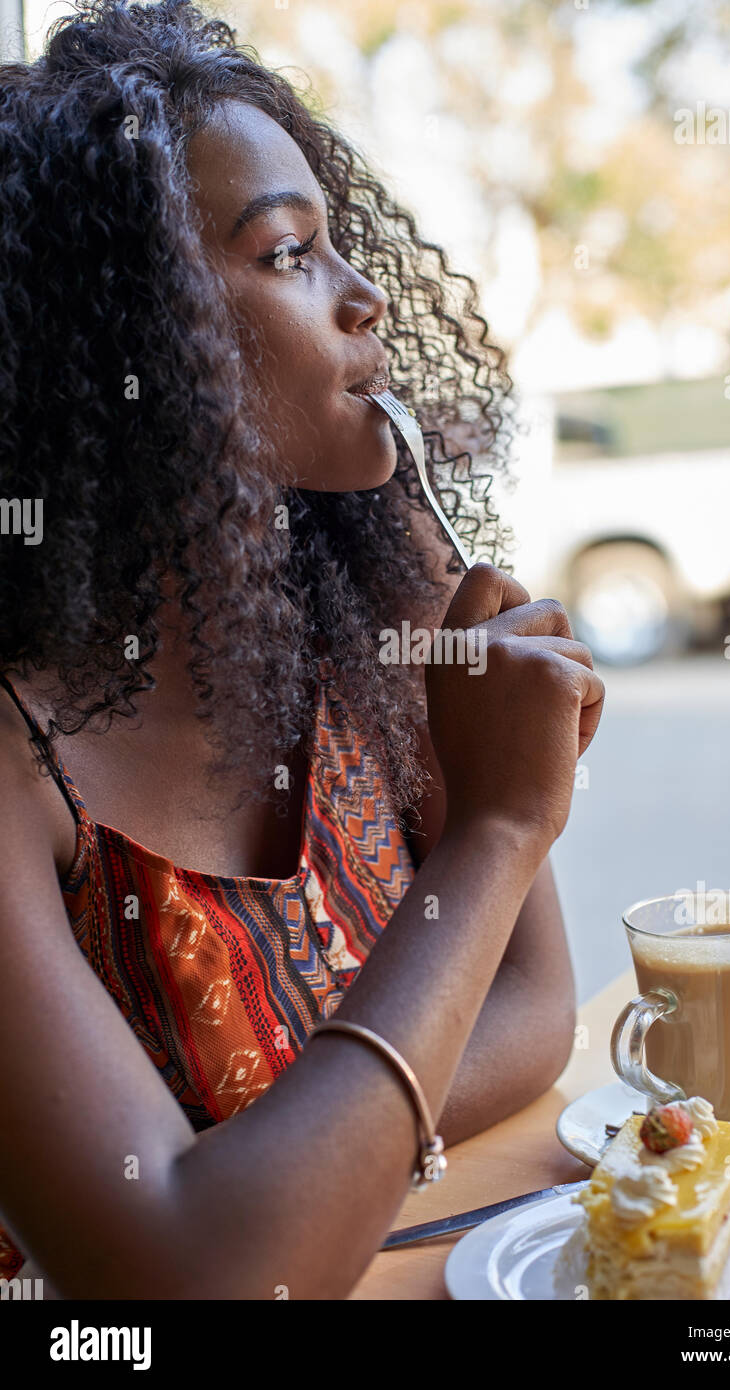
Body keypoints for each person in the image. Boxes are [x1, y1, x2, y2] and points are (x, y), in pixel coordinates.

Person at [0, 0, 604, 1299]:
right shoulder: (14, 743)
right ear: (129, 345)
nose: (366, 293)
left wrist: (295, 1162)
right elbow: (196, 1278)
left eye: (339, 244)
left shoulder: (377, 610)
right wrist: (497, 827)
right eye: (288, 252)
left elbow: (536, 1007)